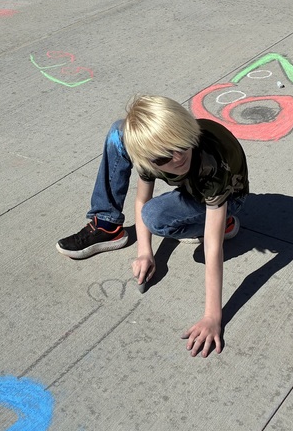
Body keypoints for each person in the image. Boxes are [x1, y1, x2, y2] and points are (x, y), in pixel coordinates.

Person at [57, 95, 249, 357]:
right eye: (162, 158)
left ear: (187, 131)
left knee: (154, 217)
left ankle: (223, 221)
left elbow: (212, 247)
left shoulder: (210, 166)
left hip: (229, 196)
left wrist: (212, 316)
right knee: (119, 131)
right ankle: (107, 223)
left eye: (181, 145)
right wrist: (144, 252)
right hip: (193, 185)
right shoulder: (152, 153)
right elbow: (141, 196)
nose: (176, 157)